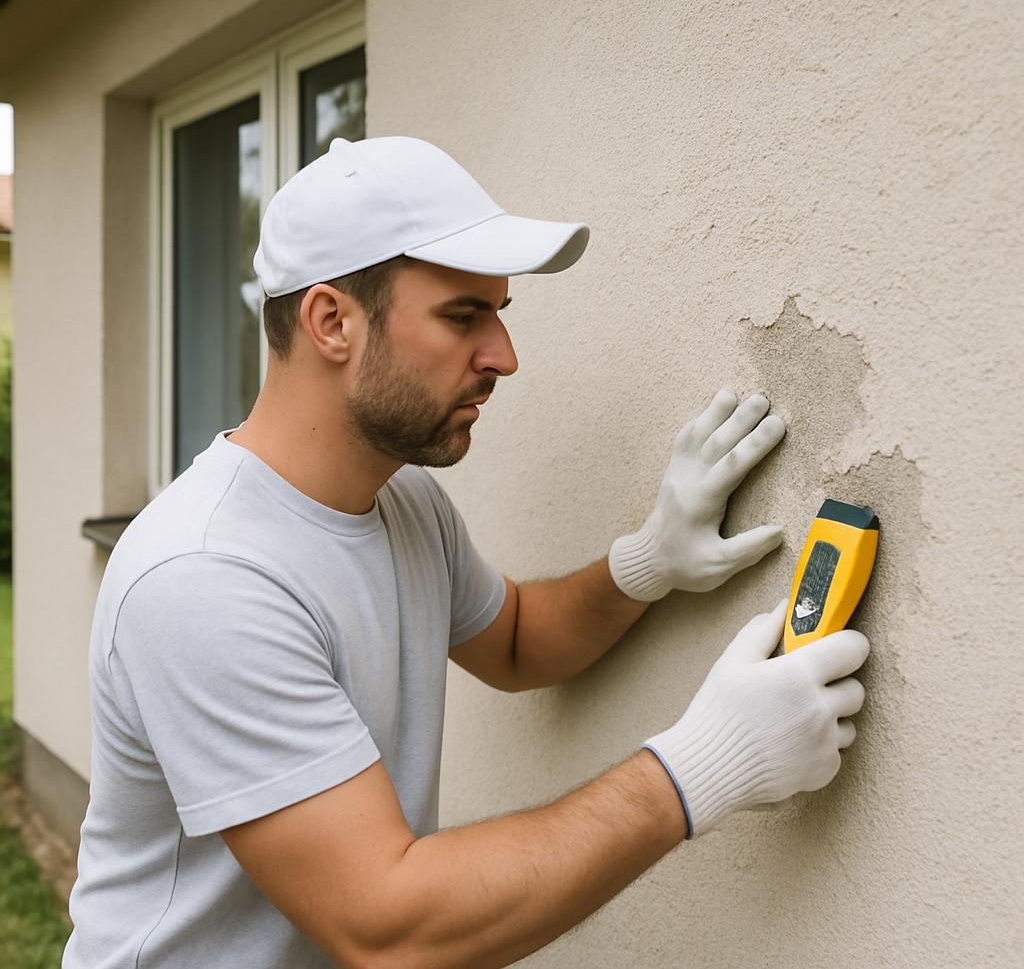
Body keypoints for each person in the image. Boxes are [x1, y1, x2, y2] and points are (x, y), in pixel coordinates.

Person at [63, 136, 869, 968]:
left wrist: (647, 563)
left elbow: (516, 638)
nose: (503, 357)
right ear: (331, 321)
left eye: (499, 314)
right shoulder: (205, 577)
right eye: (462, 316)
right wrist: (704, 766)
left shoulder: (403, 500)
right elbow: (389, 923)